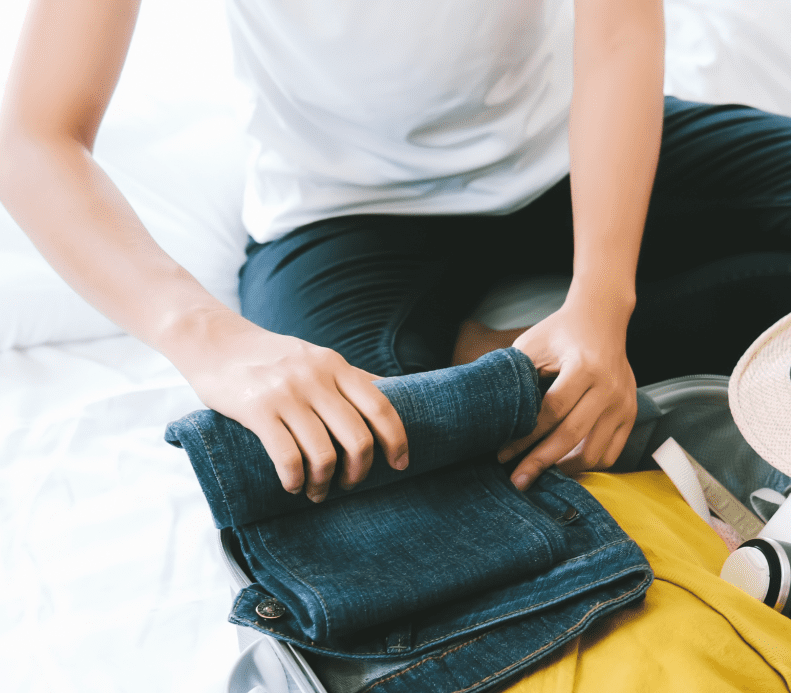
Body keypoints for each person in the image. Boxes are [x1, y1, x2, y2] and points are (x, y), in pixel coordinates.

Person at [1, 1, 789, 505]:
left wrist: (600, 299)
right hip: (348, 209)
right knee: (326, 452)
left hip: (571, 146)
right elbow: (33, 135)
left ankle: (499, 372)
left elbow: (617, 32)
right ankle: (505, 366)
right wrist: (209, 343)